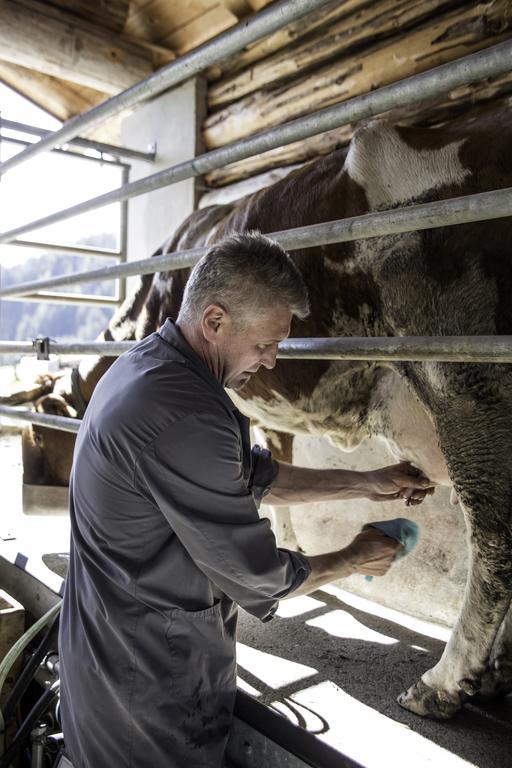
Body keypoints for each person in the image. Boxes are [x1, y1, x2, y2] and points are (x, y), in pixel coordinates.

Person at [58, 233, 432, 768]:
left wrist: (367, 481)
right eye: (265, 344)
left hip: (113, 654)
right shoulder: (183, 413)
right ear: (214, 322)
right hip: (143, 689)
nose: (273, 360)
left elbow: (249, 475)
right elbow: (256, 574)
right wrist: (354, 558)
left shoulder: (155, 367)